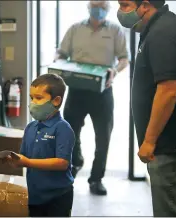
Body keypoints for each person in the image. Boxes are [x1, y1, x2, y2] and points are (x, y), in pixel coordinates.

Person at [117, 0, 176, 216]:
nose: (120, 11)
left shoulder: (163, 33)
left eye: (124, 5)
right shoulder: (157, 28)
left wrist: (149, 141)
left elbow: (169, 90)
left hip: (173, 148)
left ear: (145, 5)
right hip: (172, 145)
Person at [55, 0, 129, 196]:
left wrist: (115, 70)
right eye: (95, 6)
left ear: (108, 9)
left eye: (103, 7)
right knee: (70, 133)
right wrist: (60, 65)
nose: (99, 10)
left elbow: (124, 58)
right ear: (88, 8)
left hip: (103, 92)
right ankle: (75, 163)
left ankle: (96, 179)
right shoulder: (75, 29)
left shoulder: (115, 30)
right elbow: (61, 53)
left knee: (103, 137)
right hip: (77, 91)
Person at [6, 74, 75, 217]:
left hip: (58, 196)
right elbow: (24, 158)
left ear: (56, 101)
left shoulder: (62, 128)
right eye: (31, 98)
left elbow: (62, 163)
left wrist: (29, 162)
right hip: (35, 195)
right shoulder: (30, 128)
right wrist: (15, 162)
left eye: (38, 98)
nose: (33, 103)